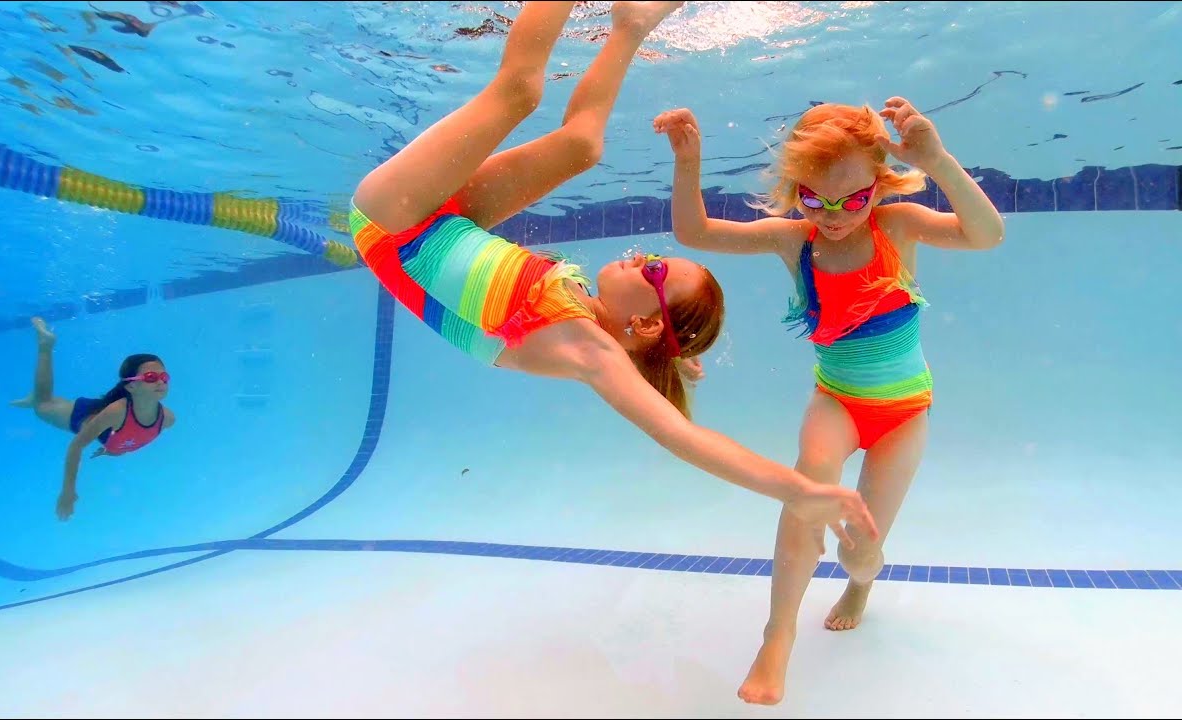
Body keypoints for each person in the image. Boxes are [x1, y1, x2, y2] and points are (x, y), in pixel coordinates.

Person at [348, 1, 879, 544]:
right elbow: (651, 340)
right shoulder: (606, 323)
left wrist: (797, 489)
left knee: (519, 92)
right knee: (582, 146)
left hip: (393, 223)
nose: (640, 258)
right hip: (442, 221)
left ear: (647, 323)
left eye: (653, 270)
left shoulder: (588, 348)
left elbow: (679, 434)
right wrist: (670, 353)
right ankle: (631, 25)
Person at [654, 99, 1004, 704]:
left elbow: (987, 235)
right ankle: (777, 635)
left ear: (879, 183)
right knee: (806, 492)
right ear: (796, 190)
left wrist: (939, 162)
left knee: (860, 550)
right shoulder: (795, 242)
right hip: (836, 402)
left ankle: (862, 585)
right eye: (814, 200)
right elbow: (696, 233)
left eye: (854, 198)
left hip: (904, 415)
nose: (835, 216)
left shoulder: (897, 226)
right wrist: (689, 162)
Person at [10, 317, 175, 521]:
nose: (161, 382)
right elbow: (76, 447)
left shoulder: (167, 419)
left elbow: (139, 436)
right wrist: (68, 492)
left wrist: (112, 450)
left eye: (164, 377)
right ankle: (46, 345)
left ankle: (39, 396)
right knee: (42, 407)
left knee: (51, 404)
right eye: (151, 377)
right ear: (131, 386)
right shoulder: (117, 411)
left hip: (105, 424)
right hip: (86, 416)